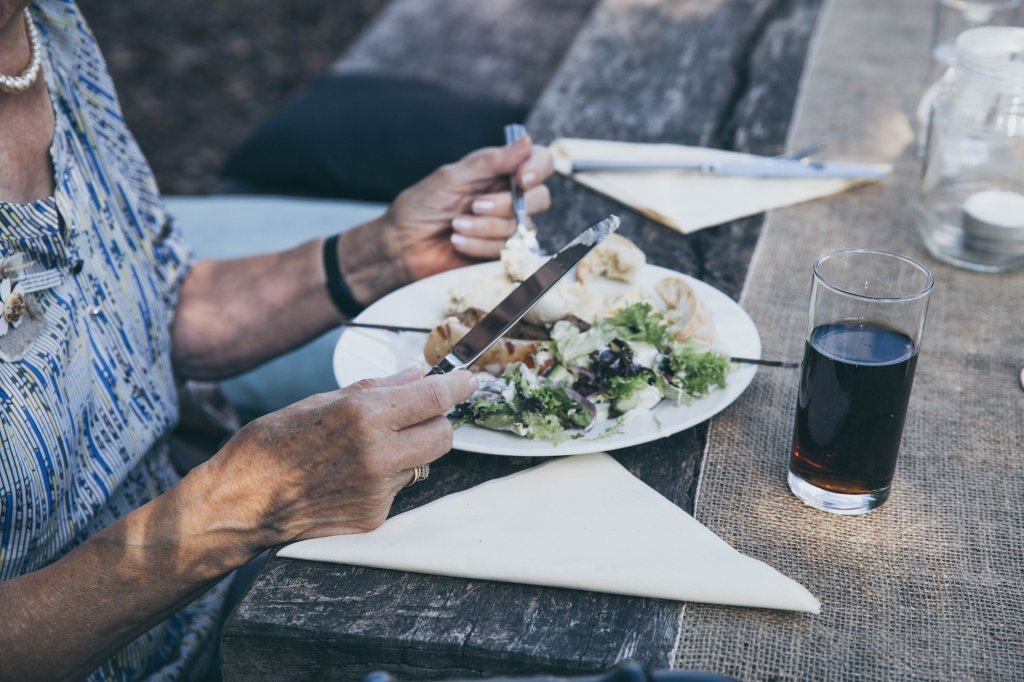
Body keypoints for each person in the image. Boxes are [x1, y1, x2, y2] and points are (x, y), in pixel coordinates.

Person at [0, 1, 554, 679]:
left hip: (222, 602)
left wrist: (380, 254)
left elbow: (137, 315)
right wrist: (232, 510)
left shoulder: (47, 29)